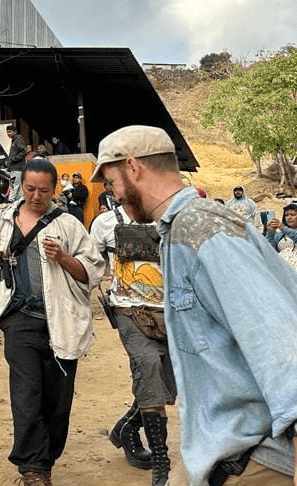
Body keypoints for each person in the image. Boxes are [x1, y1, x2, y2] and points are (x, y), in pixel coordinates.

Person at [92, 125, 297, 486]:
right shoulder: (176, 230)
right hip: (227, 453)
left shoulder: (199, 229)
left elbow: (275, 331)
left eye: (111, 181)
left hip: (261, 460)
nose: (112, 194)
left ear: (133, 167)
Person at [0, 158, 105, 486]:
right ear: (21, 185)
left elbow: (93, 272)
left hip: (62, 320)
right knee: (27, 393)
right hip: (19, 320)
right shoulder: (1, 223)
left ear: (54, 189)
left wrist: (62, 257)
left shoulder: (69, 225)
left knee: (58, 400)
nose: (35, 196)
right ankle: (32, 468)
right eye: (30, 188)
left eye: (43, 190)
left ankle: (45, 459)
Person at [89, 202, 173, 480]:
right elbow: (90, 265)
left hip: (172, 313)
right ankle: (162, 464)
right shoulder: (105, 222)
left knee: (171, 385)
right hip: (129, 311)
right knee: (148, 368)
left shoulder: (174, 215)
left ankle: (126, 428)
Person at [4, 125, 28, 201]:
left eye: (10, 132)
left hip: (17, 166)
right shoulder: (15, 140)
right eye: (7, 132)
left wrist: (13, 159)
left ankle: (11, 199)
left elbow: (24, 151)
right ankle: (18, 200)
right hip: (17, 167)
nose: (8, 134)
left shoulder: (17, 140)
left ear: (15, 132)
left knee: (13, 183)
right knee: (18, 185)